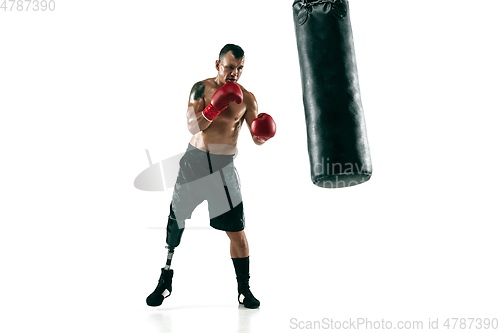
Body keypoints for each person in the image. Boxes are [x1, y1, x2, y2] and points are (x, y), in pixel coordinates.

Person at [146, 44, 276, 309]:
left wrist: (262, 135)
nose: (234, 73)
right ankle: (165, 281)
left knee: (237, 233)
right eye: (230, 67)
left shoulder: (248, 99)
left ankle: (244, 290)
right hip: (193, 164)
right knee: (175, 222)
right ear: (217, 64)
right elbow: (193, 126)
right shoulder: (200, 89)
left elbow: (255, 138)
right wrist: (215, 106)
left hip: (223, 168)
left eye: (240, 68)